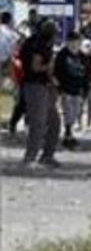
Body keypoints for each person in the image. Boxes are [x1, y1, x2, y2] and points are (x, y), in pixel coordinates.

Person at [20, 20, 62, 167]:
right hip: (35, 86)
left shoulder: (34, 42)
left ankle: (47, 155)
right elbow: (36, 67)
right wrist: (50, 66)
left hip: (43, 86)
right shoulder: (39, 45)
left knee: (54, 122)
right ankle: (30, 158)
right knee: (38, 124)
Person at [54, 31, 90, 150]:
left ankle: (68, 133)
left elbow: (86, 74)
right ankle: (68, 134)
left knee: (75, 113)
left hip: (78, 88)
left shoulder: (83, 56)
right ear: (68, 41)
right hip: (66, 88)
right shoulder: (62, 55)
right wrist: (59, 87)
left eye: (77, 41)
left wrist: (86, 89)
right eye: (73, 41)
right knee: (68, 112)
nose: (75, 44)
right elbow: (57, 71)